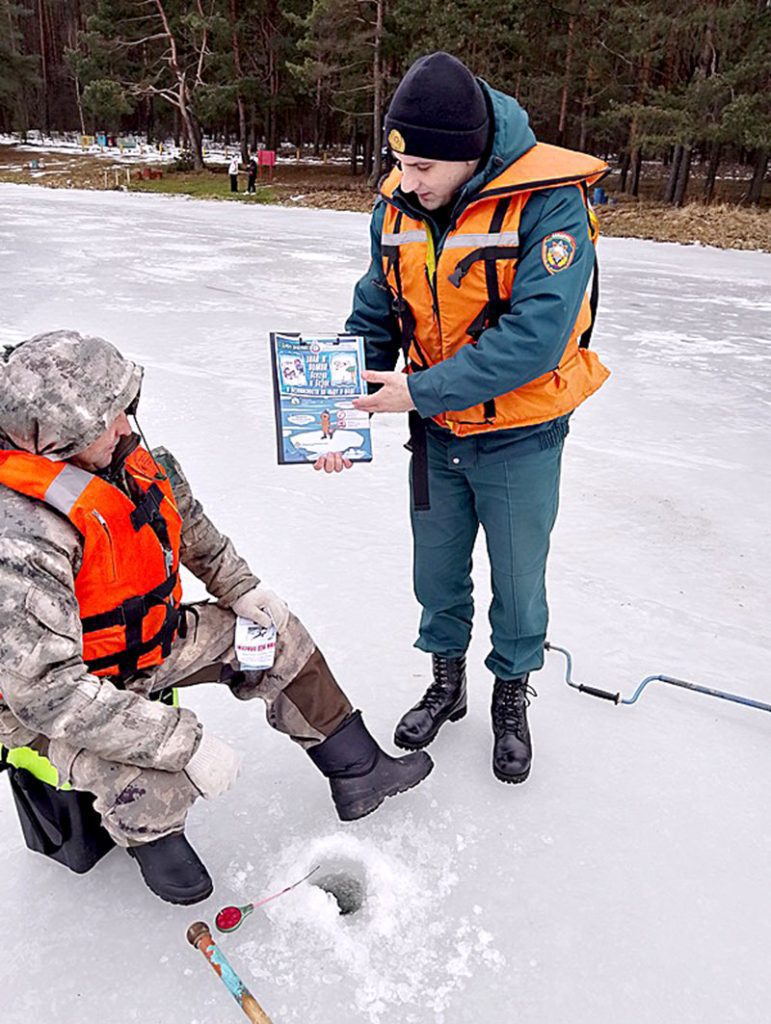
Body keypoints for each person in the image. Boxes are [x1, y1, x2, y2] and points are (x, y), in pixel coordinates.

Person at [0, 331, 432, 905]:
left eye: (126, 408)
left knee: (273, 640)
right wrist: (184, 742)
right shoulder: (21, 539)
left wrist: (242, 589)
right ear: (58, 440)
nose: (126, 427)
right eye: (108, 419)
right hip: (49, 706)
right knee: (150, 774)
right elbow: (47, 696)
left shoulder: (127, 460)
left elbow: (193, 531)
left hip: (146, 647)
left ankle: (360, 772)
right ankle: (162, 859)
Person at [316, 52, 610, 785]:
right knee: (437, 573)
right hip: (437, 437)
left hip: (519, 435)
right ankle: (447, 684)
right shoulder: (397, 207)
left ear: (469, 152)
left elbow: (535, 340)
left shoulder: (549, 205)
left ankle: (511, 693)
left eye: (421, 166)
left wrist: (416, 391)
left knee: (517, 577)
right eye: (400, 162)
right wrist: (336, 419)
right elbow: (375, 313)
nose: (405, 179)